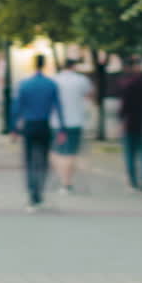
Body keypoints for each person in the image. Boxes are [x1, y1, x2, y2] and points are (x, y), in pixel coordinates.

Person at [8, 54, 64, 212]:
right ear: (44, 64)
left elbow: (17, 108)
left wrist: (13, 128)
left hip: (29, 125)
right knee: (43, 161)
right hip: (44, 125)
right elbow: (58, 107)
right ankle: (39, 193)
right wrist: (62, 128)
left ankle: (32, 194)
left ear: (33, 64)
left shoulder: (24, 84)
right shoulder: (51, 84)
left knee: (29, 160)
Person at [49, 58, 94, 194]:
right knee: (71, 153)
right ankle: (67, 182)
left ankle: (63, 179)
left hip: (56, 122)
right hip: (76, 121)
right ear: (74, 66)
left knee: (57, 152)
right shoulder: (82, 80)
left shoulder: (55, 80)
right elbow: (90, 95)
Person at [118, 57, 142, 193]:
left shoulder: (126, 83)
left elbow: (123, 106)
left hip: (129, 122)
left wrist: (121, 121)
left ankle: (133, 182)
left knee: (130, 154)